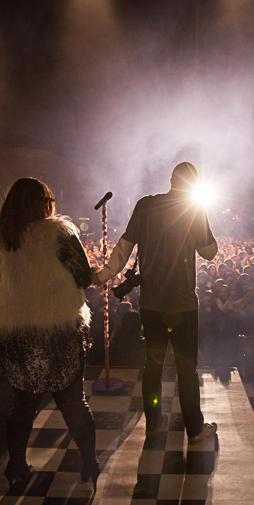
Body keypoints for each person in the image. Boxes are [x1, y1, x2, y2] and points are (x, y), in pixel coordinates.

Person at [0, 178, 98, 490]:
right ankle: (89, 461)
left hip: (17, 334)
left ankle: (17, 466)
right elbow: (83, 275)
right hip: (58, 331)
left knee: (22, 406)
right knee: (74, 402)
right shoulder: (59, 234)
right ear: (44, 203)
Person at [92, 162, 219, 444]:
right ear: (195, 186)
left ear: (171, 180)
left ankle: (153, 423)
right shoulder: (195, 208)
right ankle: (195, 430)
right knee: (187, 370)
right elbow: (210, 252)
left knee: (153, 365)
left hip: (151, 304)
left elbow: (124, 246)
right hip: (184, 305)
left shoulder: (145, 206)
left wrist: (102, 275)